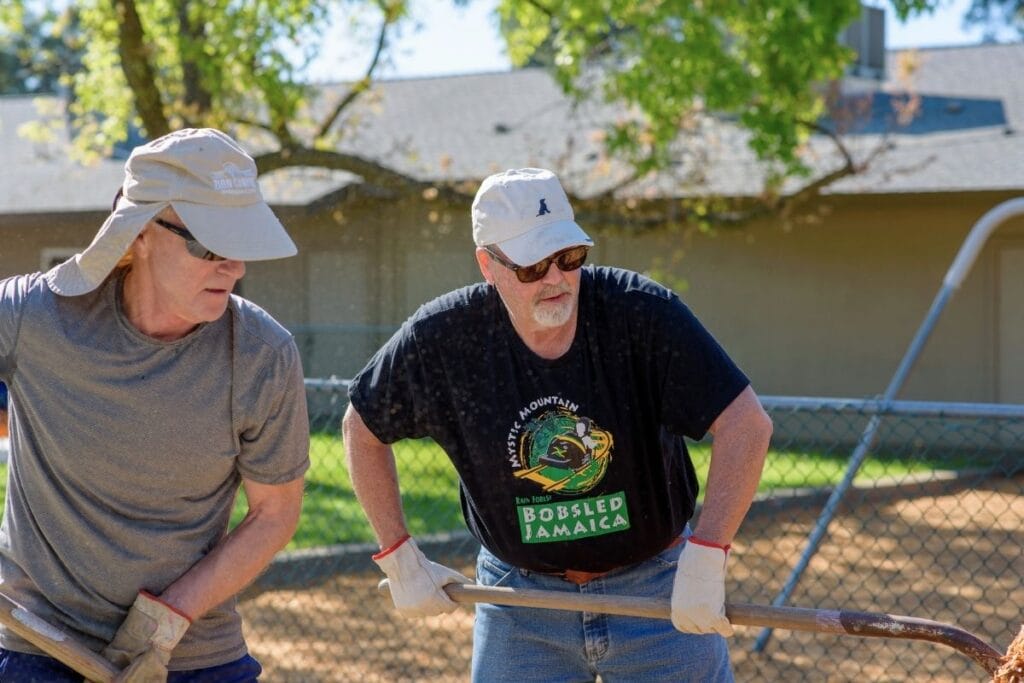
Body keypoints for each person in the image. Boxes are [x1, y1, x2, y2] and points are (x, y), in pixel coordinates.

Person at [343, 167, 773, 681]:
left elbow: (746, 423)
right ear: (489, 264)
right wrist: (399, 556)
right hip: (519, 602)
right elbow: (362, 427)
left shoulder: (640, 314)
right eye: (532, 266)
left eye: (569, 258)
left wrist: (707, 556)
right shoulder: (443, 339)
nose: (555, 279)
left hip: (657, 588)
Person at [0, 128, 310, 682]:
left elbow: (275, 512)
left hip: (192, 657)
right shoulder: (32, 318)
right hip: (36, 645)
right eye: (209, 246)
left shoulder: (261, 353)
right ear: (139, 231)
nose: (234, 268)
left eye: (240, 245)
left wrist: (166, 621)